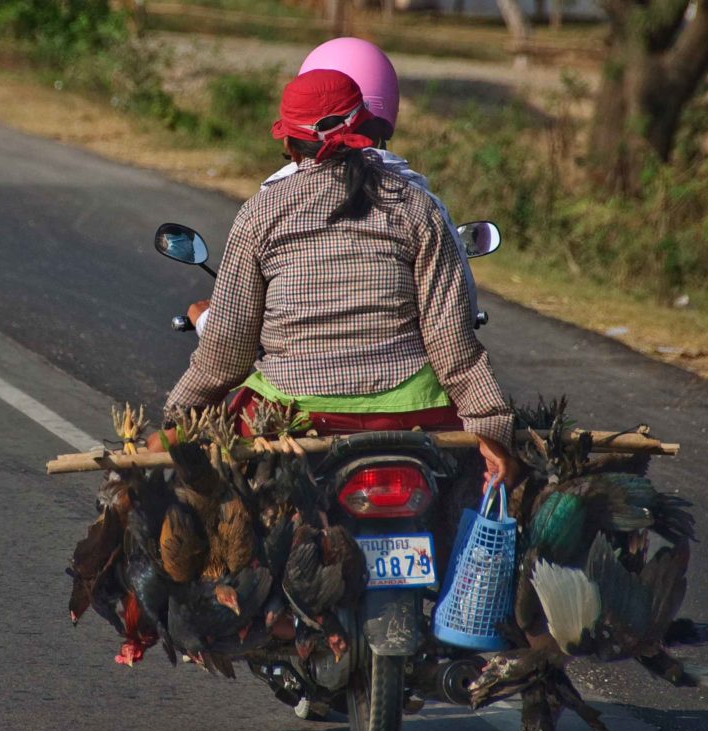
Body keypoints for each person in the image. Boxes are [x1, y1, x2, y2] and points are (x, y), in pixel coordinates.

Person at [155, 69, 517, 488]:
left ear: (289, 145)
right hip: (414, 416)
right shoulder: (418, 208)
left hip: (293, 416)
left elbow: (228, 353)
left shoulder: (260, 214)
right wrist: (491, 428)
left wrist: (180, 411)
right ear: (368, 128)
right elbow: (452, 345)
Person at [190, 37, 482, 339]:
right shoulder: (420, 202)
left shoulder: (265, 205)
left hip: (291, 380)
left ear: (291, 137)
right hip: (402, 377)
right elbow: (459, 318)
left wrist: (205, 321)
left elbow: (232, 330)